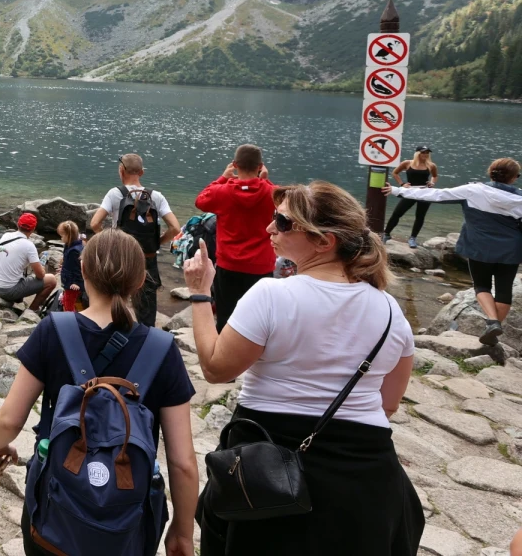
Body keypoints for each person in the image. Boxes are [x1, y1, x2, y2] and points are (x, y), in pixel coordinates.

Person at [188, 181, 422, 556]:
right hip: (364, 474)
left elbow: (216, 368)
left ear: (323, 241)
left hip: (265, 464)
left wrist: (201, 293)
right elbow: (388, 403)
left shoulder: (272, 294)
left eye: (282, 222)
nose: (269, 229)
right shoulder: (392, 311)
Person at [0, 229, 198, 556]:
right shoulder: (163, 349)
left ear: (83, 270)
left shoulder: (53, 331)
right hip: (126, 523)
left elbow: (10, 419)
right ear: (140, 281)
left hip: (54, 518)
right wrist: (182, 530)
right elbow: (182, 462)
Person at [385, 157, 522, 345]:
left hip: (479, 247)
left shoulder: (473, 190)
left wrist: (396, 190)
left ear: (490, 172)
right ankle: (493, 330)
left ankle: (492, 321)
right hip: (511, 250)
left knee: (482, 286)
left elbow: (436, 195)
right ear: (514, 178)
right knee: (504, 290)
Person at [90, 154, 180, 327]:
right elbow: (175, 228)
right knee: (146, 308)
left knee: (114, 298)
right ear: (142, 172)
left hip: (121, 256)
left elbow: (95, 223)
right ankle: (145, 340)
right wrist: (158, 242)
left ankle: (114, 333)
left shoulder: (115, 194)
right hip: (148, 256)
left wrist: (111, 242)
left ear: (121, 170)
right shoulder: (156, 196)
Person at [194, 144, 276, 331]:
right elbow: (286, 201)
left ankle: (224, 355)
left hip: (228, 265)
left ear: (235, 165)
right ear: (260, 166)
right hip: (261, 266)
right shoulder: (272, 193)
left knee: (225, 315)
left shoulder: (221, 192)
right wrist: (266, 180)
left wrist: (223, 178)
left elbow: (200, 200)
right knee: (259, 320)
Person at [0, 213, 58, 313]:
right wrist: (41, 267)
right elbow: (40, 275)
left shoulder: (6, 235)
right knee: (51, 280)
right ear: (33, 229)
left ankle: (18, 299)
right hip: (6, 290)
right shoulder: (29, 246)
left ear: (18, 224)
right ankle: (32, 311)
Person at [384, 146, 439, 248]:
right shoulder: (407, 163)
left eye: (427, 153)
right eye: (423, 152)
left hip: (425, 193)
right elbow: (395, 173)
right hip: (410, 192)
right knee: (397, 213)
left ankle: (413, 238)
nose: (425, 154)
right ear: (417, 153)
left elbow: (435, 176)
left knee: (420, 216)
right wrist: (402, 184)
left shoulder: (431, 165)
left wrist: (432, 182)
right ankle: (386, 234)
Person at [57, 221, 86, 311]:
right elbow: (69, 263)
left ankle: (70, 319)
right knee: (69, 299)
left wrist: (77, 282)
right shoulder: (69, 245)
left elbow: (78, 268)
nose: (61, 238)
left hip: (72, 283)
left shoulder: (74, 251)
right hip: (68, 279)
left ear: (68, 235)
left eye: (62, 236)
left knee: (69, 302)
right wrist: (63, 267)